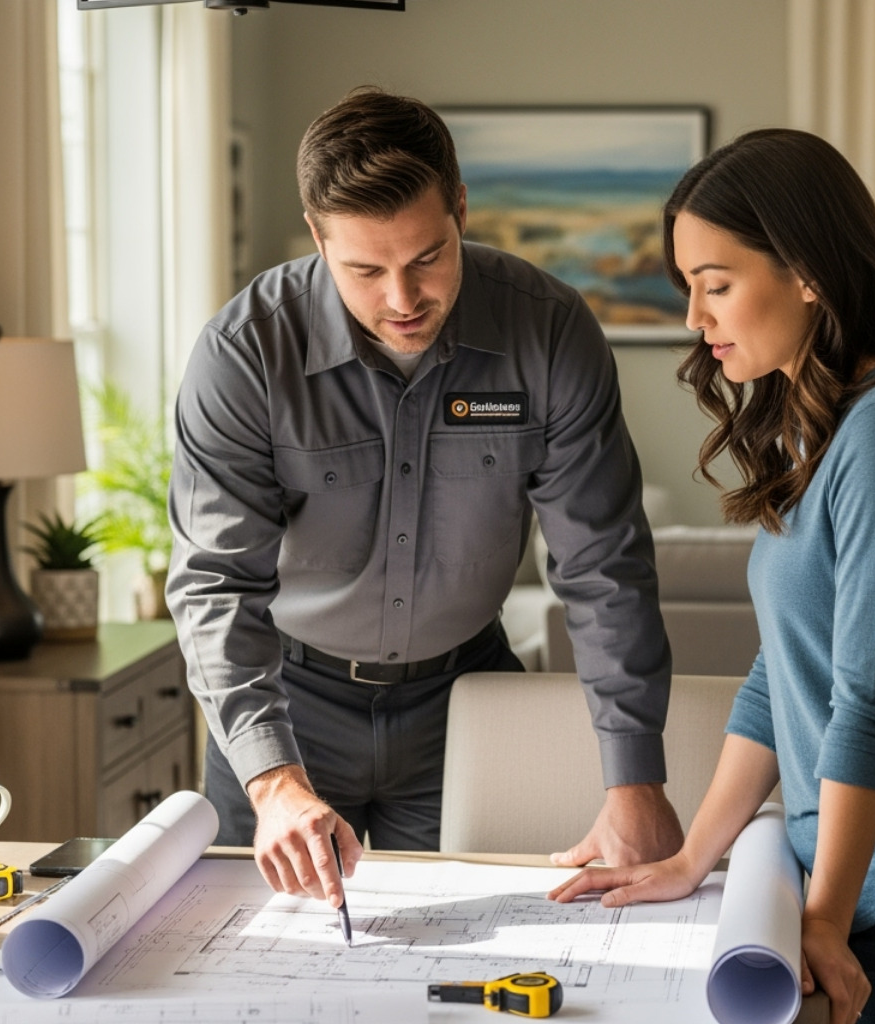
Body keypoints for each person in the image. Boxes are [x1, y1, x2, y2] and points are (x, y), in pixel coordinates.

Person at [549, 129, 875, 1024]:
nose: (694, 317)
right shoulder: (825, 426)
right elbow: (783, 675)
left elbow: (870, 700)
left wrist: (826, 915)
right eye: (688, 287)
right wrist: (691, 859)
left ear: (807, 273)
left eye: (717, 284)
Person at [166, 87, 682, 912]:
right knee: (250, 951)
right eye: (366, 271)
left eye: (428, 258)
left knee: (486, 955)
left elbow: (603, 566)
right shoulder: (245, 353)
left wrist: (635, 783)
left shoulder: (549, 333)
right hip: (286, 705)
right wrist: (272, 782)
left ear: (461, 210)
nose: (403, 300)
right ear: (318, 238)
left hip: (465, 704)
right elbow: (215, 582)